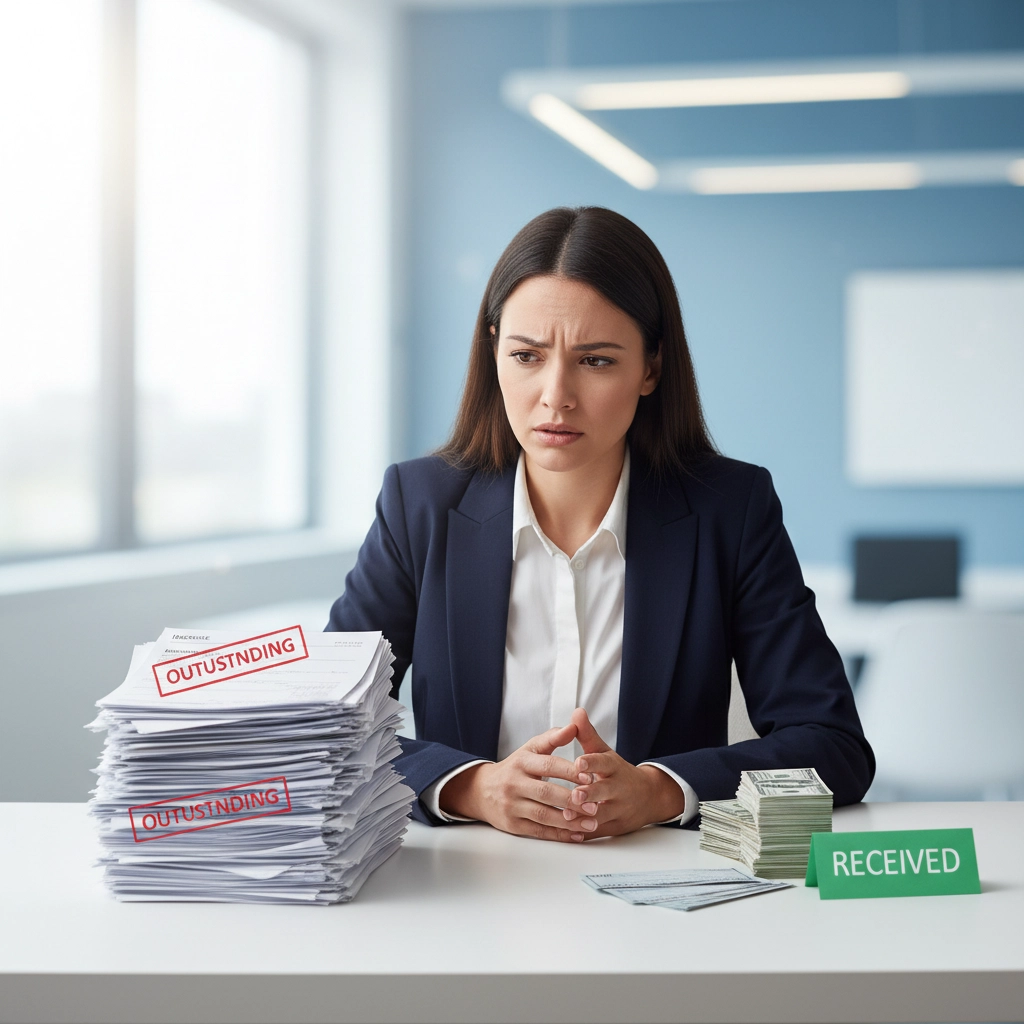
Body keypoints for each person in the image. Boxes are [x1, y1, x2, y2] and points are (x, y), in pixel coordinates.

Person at [328, 206, 874, 843]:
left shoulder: (731, 509)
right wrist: (471, 786)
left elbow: (833, 748)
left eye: (596, 362)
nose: (555, 395)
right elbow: (328, 723)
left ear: (651, 368)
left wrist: (661, 790)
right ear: (493, 354)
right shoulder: (418, 503)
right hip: (465, 894)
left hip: (662, 897)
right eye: (527, 356)